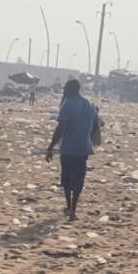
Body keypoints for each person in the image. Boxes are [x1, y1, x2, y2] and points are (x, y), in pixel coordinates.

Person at [46, 78, 102, 222]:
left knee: (66, 178)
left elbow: (60, 127)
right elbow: (97, 125)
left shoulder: (68, 104)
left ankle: (69, 206)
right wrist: (86, 136)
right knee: (78, 178)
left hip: (68, 148)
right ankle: (73, 210)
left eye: (66, 88)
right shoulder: (90, 104)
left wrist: (51, 146)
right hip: (83, 148)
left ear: (72, 89)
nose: (64, 91)